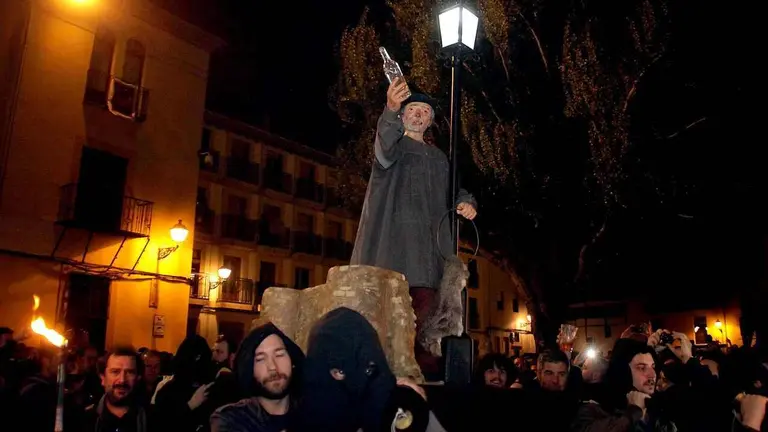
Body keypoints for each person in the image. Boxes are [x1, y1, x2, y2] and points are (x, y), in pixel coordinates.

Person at [350, 77, 477, 375]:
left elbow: (456, 191)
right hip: (394, 260)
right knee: (390, 333)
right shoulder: (391, 148)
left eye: (425, 112)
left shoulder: (440, 159)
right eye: (412, 110)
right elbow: (382, 149)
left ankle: (425, 397)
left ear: (431, 121)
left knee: (428, 338)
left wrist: (467, 202)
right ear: (403, 115)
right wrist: (389, 110)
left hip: (431, 262)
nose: (418, 115)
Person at [210, 323, 304, 432]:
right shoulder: (231, 419)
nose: (272, 367)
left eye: (279, 355)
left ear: (292, 361)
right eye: (261, 359)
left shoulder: (315, 413)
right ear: (251, 369)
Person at [82, 346, 151, 432]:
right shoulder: (84, 420)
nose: (122, 380)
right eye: (115, 372)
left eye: (129, 372)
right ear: (103, 378)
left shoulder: (153, 419)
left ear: (138, 378)